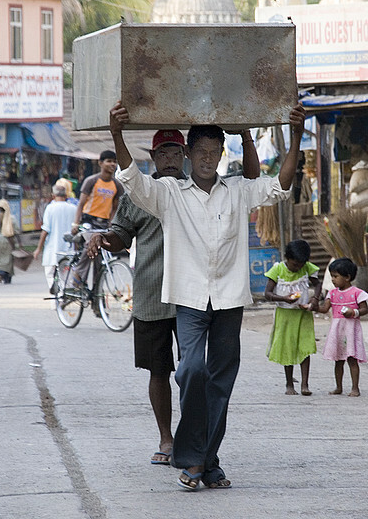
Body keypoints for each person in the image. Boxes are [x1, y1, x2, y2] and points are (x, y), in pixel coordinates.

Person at [108, 99, 305, 491]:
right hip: (190, 299)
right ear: (188, 154)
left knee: (220, 382)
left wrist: (297, 135)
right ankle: (199, 458)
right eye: (201, 152)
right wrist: (117, 133)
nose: (207, 159)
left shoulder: (237, 190)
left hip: (230, 300)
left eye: (215, 153)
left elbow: (280, 186)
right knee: (190, 371)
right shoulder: (169, 192)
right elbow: (132, 179)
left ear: (221, 154)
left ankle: (203, 462)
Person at [88, 127, 260, 467]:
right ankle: (168, 438)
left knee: (193, 371)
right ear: (153, 158)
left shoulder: (195, 189)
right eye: (162, 154)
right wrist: (104, 238)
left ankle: (196, 445)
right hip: (153, 294)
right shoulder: (144, 193)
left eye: (174, 153)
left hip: (195, 295)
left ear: (186, 155)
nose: (169, 159)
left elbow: (253, 185)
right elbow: (121, 236)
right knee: (159, 371)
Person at [264, 239, 322, 396]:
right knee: (288, 348)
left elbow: (317, 284)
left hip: (303, 314)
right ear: (287, 258)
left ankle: (305, 384)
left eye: (301, 265)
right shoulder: (278, 270)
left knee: (305, 347)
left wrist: (315, 299)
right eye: (295, 264)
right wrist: (284, 299)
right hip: (285, 315)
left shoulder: (307, 268)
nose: (298, 268)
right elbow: (267, 294)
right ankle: (289, 384)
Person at [310, 257, 368, 397]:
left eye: (335, 276)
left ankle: (355, 388)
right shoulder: (332, 293)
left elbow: (364, 309)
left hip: (350, 330)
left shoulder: (357, 293)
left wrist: (353, 312)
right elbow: (325, 309)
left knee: (352, 359)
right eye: (332, 276)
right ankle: (339, 387)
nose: (333, 280)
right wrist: (313, 307)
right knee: (338, 360)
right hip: (337, 330)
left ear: (347, 277)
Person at [71, 150, 124, 285]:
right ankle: (78, 275)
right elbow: (81, 204)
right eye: (109, 161)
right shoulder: (92, 181)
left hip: (104, 224)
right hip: (88, 221)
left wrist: (112, 224)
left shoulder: (117, 185)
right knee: (90, 245)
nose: (112, 164)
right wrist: (75, 223)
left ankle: (96, 295)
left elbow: (115, 208)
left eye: (114, 161)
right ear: (101, 163)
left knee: (100, 259)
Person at [33, 183, 77, 292]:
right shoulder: (73, 208)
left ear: (53, 195)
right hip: (69, 250)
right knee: (66, 276)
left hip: (52, 250)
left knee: (50, 275)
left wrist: (38, 248)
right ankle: (65, 297)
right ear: (66, 195)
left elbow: (45, 230)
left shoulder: (50, 208)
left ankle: (57, 300)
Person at [0, 198, 20, 284]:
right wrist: (19, 243)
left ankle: (0, 273)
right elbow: (17, 231)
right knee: (9, 258)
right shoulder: (12, 218)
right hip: (10, 240)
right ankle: (7, 276)